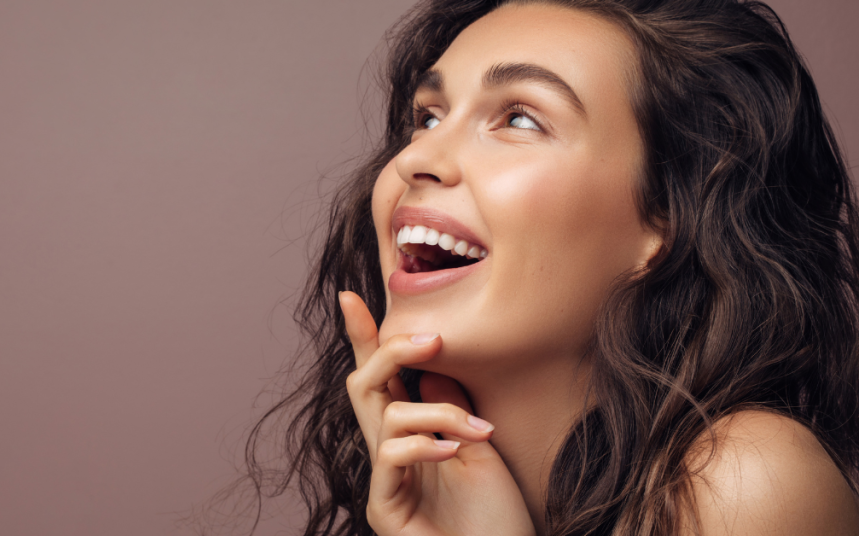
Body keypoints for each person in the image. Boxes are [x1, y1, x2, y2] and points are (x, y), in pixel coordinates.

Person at [227, 0, 859, 534]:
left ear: (668, 217)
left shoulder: (742, 480)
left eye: (519, 118)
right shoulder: (420, 497)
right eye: (427, 117)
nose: (418, 159)